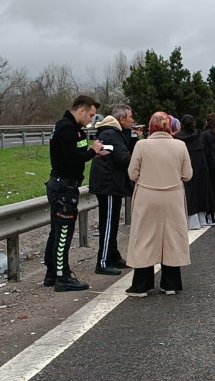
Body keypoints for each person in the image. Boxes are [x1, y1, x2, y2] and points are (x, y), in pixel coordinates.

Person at [125, 112, 193, 297]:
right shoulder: (180, 146)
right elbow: (187, 175)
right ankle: (171, 283)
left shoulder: (142, 145)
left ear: (151, 126)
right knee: (172, 237)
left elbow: (132, 173)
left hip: (147, 196)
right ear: (169, 126)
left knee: (145, 237)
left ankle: (141, 285)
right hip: (172, 197)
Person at [44, 95, 106, 292]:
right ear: (81, 111)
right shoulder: (67, 128)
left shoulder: (73, 129)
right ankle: (62, 277)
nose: (92, 120)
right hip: (64, 187)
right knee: (63, 234)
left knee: (56, 232)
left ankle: (52, 274)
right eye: (91, 115)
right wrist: (92, 152)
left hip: (63, 185)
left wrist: (91, 152)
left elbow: (73, 153)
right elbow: (72, 158)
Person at [89, 106, 134, 276]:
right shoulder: (111, 135)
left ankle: (113, 255)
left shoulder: (114, 134)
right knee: (108, 224)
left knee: (113, 222)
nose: (132, 120)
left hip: (111, 184)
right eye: (130, 117)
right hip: (108, 185)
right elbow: (123, 159)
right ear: (122, 119)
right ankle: (103, 261)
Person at [175, 114, 214, 229]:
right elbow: (207, 151)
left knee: (188, 191)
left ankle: (191, 221)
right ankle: (203, 219)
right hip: (201, 165)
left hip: (185, 166)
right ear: (194, 124)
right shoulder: (200, 136)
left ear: (182, 125)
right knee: (201, 190)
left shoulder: (177, 138)